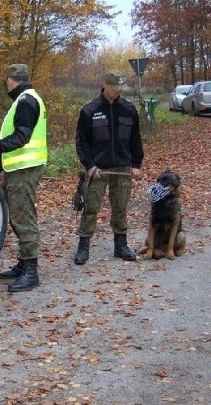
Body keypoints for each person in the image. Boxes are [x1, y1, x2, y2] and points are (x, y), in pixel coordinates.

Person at [0, 63, 47, 292]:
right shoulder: (26, 99)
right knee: (19, 216)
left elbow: (21, 137)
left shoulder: (25, 101)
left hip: (26, 169)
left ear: (11, 79)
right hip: (19, 169)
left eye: (7, 79)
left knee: (24, 217)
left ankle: (31, 271)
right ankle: (24, 264)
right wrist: (4, 167)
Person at [73, 70, 144, 265]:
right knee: (91, 207)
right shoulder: (90, 110)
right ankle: (83, 245)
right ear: (105, 84)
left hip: (122, 168)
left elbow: (136, 140)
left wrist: (136, 164)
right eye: (115, 87)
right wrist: (89, 165)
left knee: (120, 207)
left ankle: (120, 245)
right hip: (98, 170)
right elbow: (81, 142)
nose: (118, 91)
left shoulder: (129, 109)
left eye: (121, 88)